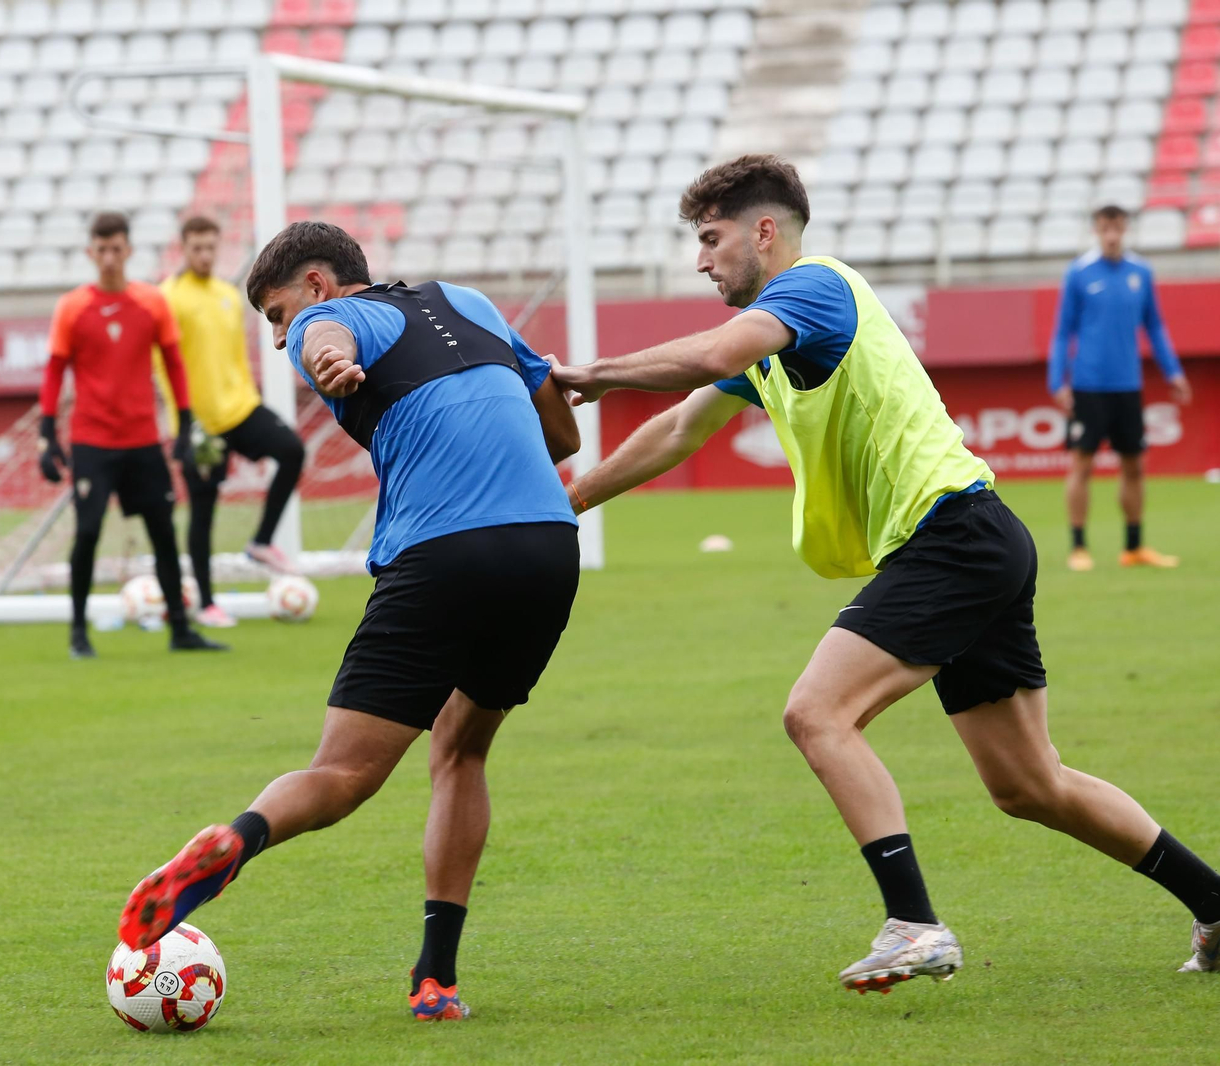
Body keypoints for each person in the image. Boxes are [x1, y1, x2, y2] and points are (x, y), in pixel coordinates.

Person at [552, 155, 1220, 992]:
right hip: (976, 537)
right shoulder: (774, 339)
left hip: (951, 537)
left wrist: (592, 373)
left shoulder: (813, 288)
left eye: (712, 239)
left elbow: (714, 351)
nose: (700, 260)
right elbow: (680, 428)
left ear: (766, 232)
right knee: (1029, 785)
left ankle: (914, 925)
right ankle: (1215, 902)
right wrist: (568, 502)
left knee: (817, 713)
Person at [116, 221, 582, 1020]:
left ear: (318, 283)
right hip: (546, 548)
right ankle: (436, 979)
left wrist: (325, 352)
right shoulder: (468, 302)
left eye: (277, 315)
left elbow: (325, 338)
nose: (280, 339)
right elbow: (563, 437)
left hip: (441, 554)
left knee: (342, 776)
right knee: (462, 749)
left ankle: (239, 839)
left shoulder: (331, 321)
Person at [39, 211, 227, 658]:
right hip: (92, 441)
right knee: (87, 532)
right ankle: (78, 632)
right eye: (101, 249)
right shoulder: (72, 307)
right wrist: (47, 434)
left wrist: (184, 423)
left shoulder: (151, 302)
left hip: (142, 439)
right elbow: (54, 371)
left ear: (128, 250)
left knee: (163, 532)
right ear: (91, 253)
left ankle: (180, 630)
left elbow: (175, 363)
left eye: (116, 249)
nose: (109, 257)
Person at [159, 216, 307, 627]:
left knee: (292, 450)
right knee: (203, 512)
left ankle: (261, 541)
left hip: (240, 409)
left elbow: (236, 360)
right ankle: (207, 603)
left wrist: (251, 399)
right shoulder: (169, 298)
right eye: (197, 248)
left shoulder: (227, 294)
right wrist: (183, 423)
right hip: (199, 424)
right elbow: (163, 365)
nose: (205, 255)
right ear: (183, 249)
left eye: (211, 247)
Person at [1049, 204, 1191, 572]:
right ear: (1097, 230)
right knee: (1082, 464)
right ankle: (1079, 547)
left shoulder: (1140, 272)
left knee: (1135, 465)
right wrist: (1057, 380)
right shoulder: (1079, 272)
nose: (1111, 234)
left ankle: (1134, 546)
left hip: (1128, 384)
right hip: (1089, 385)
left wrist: (1173, 372)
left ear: (1125, 228)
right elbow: (1063, 331)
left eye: (1117, 227)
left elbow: (1155, 326)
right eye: (1105, 227)